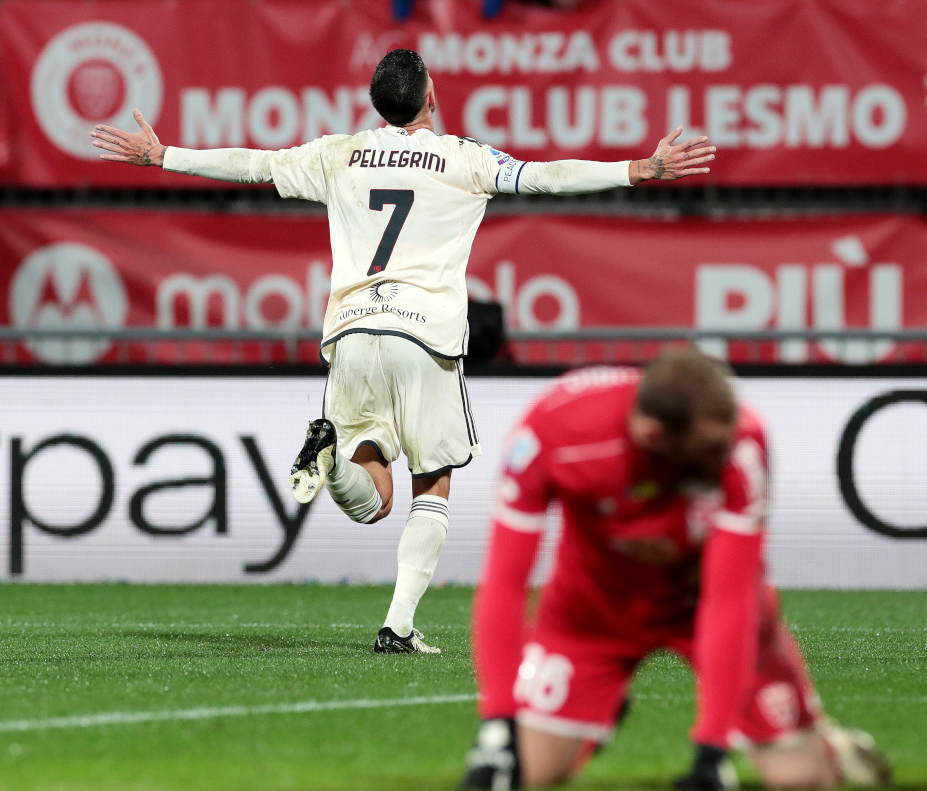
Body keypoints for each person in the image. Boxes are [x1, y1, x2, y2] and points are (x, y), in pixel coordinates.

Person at [91, 49, 715, 655]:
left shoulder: (339, 154)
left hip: (353, 332)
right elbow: (550, 176)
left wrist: (164, 154)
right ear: (431, 98)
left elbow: (252, 164)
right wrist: (641, 169)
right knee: (431, 483)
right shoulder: (465, 159)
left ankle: (330, 461)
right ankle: (397, 625)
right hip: (424, 335)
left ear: (378, 103)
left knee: (371, 492)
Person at [461, 349, 890, 791]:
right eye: (711, 447)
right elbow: (505, 584)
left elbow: (730, 599)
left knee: (801, 782)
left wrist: (712, 748)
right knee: (525, 775)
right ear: (655, 435)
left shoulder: (744, 443)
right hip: (593, 612)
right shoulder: (554, 431)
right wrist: (498, 723)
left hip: (698, 603)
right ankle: (596, 714)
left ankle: (829, 744)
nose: (728, 451)